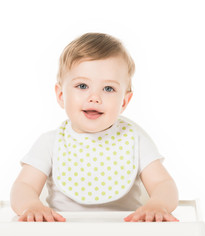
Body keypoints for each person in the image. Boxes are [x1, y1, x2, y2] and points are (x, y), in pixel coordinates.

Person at [10, 33, 179, 222]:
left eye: (108, 89)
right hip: (64, 231)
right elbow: (23, 186)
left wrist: (158, 204)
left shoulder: (135, 139)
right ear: (60, 95)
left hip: (125, 231)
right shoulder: (50, 143)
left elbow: (163, 184)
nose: (94, 97)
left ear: (124, 101)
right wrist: (31, 206)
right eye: (82, 86)